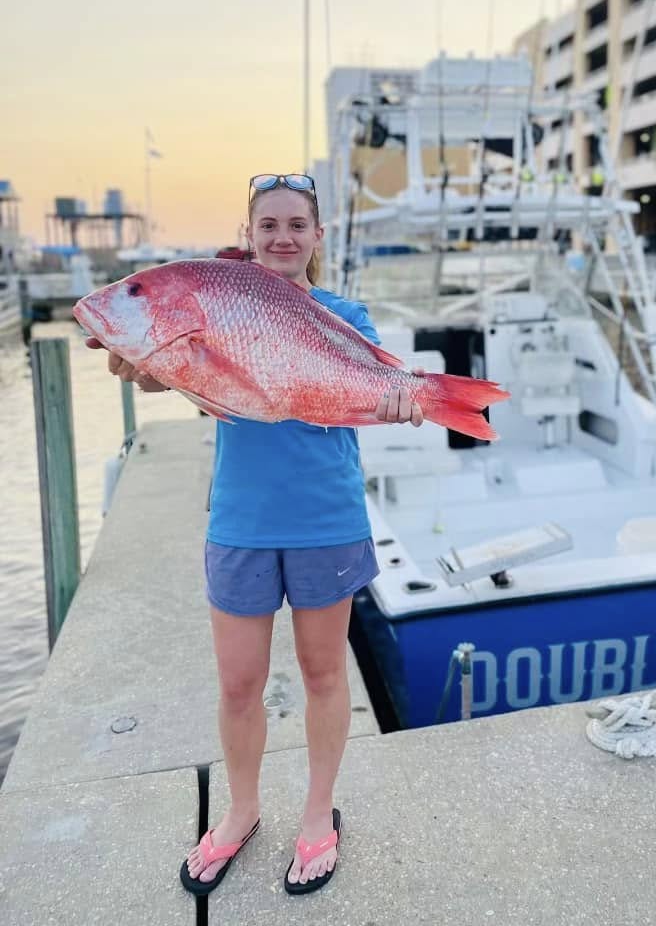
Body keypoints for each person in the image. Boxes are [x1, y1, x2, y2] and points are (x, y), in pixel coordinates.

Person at [88, 173, 424, 896]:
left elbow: (370, 385)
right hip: (240, 522)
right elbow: (155, 376)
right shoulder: (214, 300)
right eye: (267, 224)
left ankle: (315, 817)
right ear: (248, 234)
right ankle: (240, 812)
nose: (281, 237)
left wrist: (402, 401)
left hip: (325, 521)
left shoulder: (345, 313)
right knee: (239, 683)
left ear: (317, 237)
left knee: (324, 674)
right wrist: (131, 353)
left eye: (296, 225)